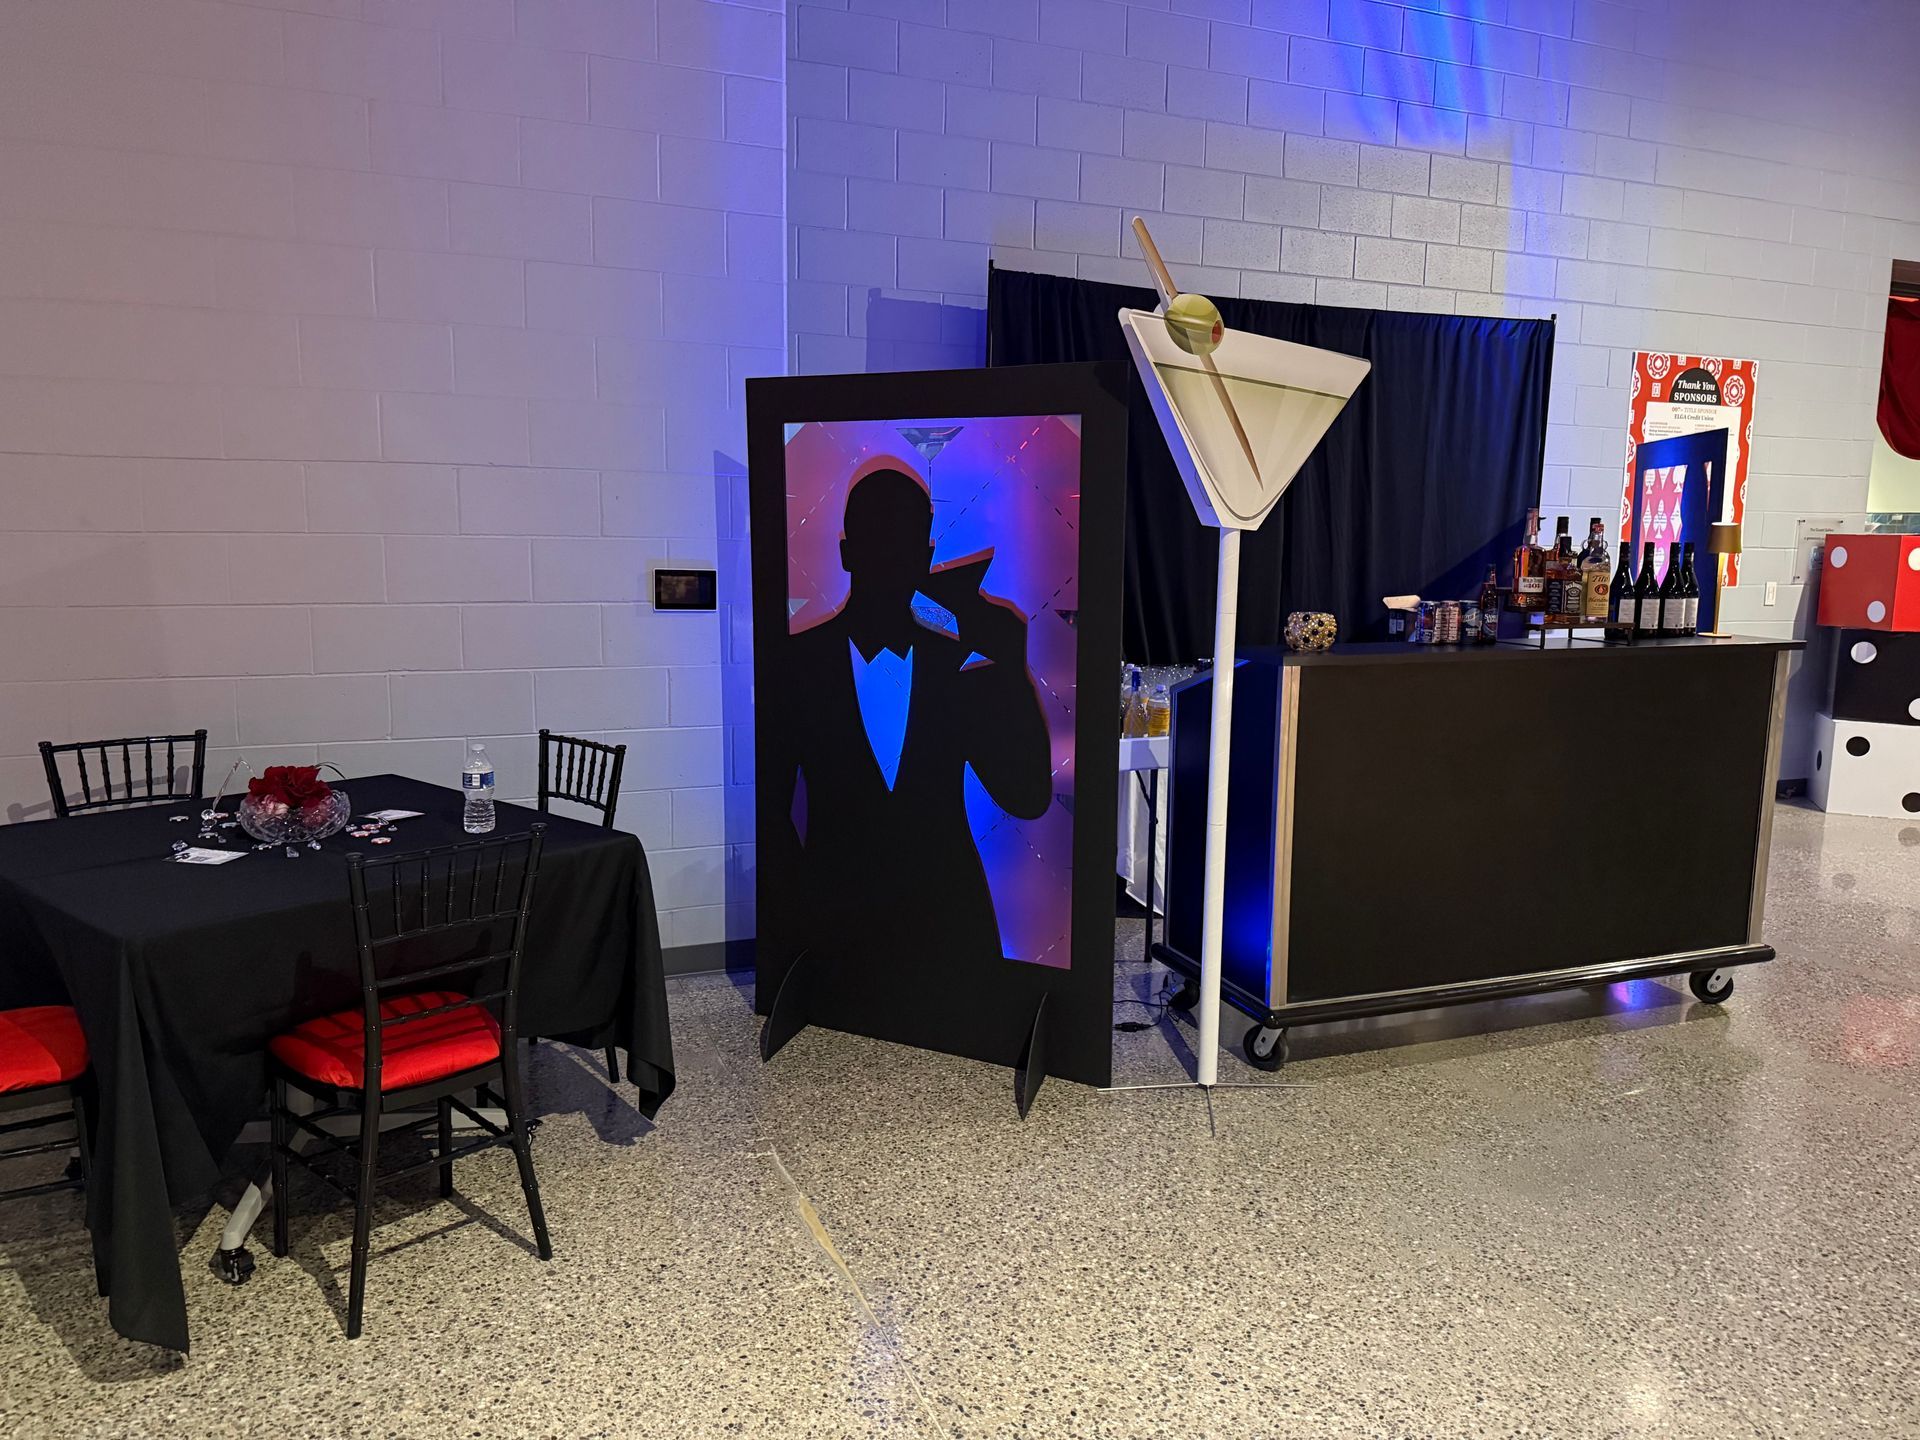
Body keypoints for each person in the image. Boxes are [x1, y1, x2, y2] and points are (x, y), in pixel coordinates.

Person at [763, 466, 1052, 1000]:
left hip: (952, 933)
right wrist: (796, 928)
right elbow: (772, 812)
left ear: (926, 554)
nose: (894, 561)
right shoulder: (794, 663)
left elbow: (1028, 796)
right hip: (836, 933)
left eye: (906, 544)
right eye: (880, 542)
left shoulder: (966, 659)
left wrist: (1009, 670)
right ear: (848, 554)